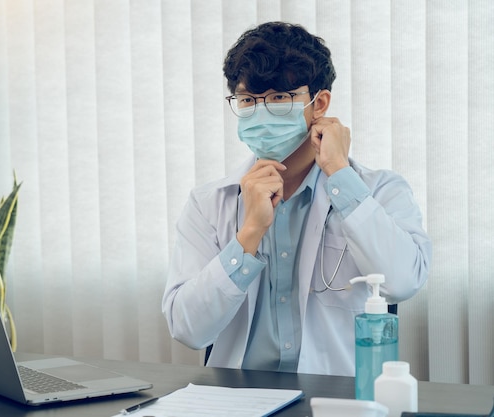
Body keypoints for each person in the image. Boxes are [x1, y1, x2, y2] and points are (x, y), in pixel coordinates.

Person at [161, 21, 431, 377]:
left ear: (319, 104)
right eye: (247, 100)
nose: (261, 112)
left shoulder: (380, 191)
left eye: (279, 98)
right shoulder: (209, 203)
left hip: (336, 398)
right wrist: (249, 234)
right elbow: (188, 329)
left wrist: (339, 174)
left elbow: (402, 281)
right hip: (236, 401)